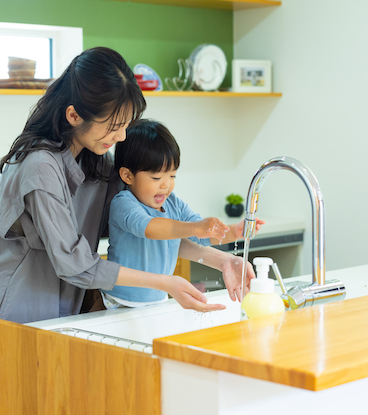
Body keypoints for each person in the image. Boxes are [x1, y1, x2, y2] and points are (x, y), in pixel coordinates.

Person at [0, 48, 253, 415]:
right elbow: (76, 264)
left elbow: (143, 230)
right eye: (113, 125)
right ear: (74, 114)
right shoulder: (40, 168)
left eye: (126, 123)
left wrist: (219, 257)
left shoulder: (99, 163)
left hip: (48, 311)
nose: (122, 135)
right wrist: (167, 284)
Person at [102, 119, 263, 309]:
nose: (166, 184)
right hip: (119, 303)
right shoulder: (123, 203)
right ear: (127, 176)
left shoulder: (173, 204)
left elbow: (203, 236)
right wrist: (196, 227)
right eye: (156, 177)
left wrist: (234, 231)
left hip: (157, 301)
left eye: (172, 175)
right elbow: (150, 228)